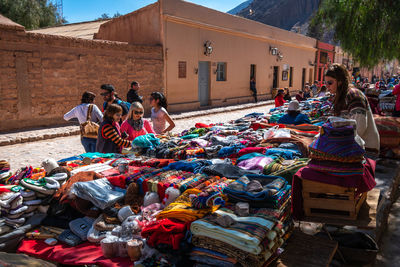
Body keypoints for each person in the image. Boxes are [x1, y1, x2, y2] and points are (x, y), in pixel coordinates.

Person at [325, 63, 380, 154]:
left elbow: (360, 127)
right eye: (326, 83)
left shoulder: (354, 95)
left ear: (340, 81)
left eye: (330, 82)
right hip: (352, 146)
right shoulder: (341, 97)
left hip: (365, 149)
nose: (327, 86)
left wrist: (337, 143)